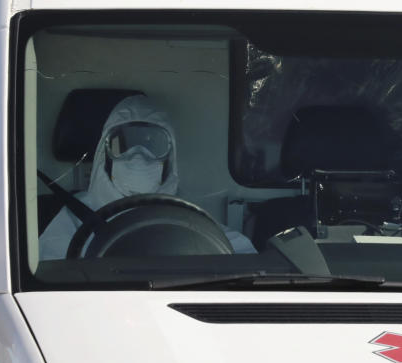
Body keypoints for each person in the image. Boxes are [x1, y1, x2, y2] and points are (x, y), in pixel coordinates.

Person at [39, 95, 255, 259]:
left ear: (170, 155)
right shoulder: (75, 215)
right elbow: (50, 267)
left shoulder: (186, 212)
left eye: (153, 144)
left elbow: (236, 254)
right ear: (104, 154)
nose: (138, 156)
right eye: (124, 145)